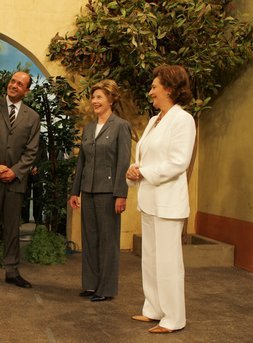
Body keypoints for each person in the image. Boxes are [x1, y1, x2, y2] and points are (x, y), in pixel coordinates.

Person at [126, 65, 195, 334]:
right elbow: (146, 156)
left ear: (169, 88)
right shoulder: (155, 120)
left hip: (168, 203)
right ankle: (153, 308)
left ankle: (174, 317)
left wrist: (144, 171)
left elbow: (179, 162)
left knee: (168, 262)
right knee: (151, 259)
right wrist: (135, 169)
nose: (150, 92)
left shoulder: (183, 120)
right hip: (150, 200)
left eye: (154, 87)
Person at [0, 71, 40, 291]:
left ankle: (12, 271)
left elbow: (32, 152)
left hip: (15, 181)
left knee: (13, 228)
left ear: (26, 91)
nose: (14, 85)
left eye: (20, 84)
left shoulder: (32, 117)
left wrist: (15, 171)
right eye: (13, 81)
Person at [68, 79, 131, 302]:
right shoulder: (89, 128)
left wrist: (121, 194)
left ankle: (106, 289)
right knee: (89, 239)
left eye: (99, 97)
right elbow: (81, 162)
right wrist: (75, 192)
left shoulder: (121, 126)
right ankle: (91, 285)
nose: (94, 101)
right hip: (89, 190)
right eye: (93, 97)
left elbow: (123, 162)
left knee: (108, 241)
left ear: (111, 99)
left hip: (108, 192)